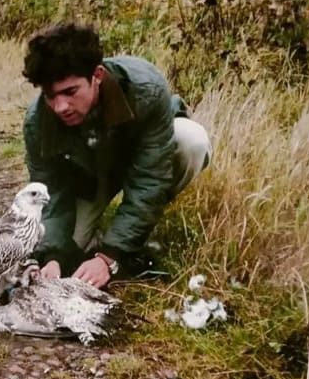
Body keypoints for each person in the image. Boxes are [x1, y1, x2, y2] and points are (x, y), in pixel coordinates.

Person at [21, 23, 212, 288]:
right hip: (89, 180)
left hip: (141, 163)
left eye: (70, 92)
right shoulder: (37, 122)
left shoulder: (147, 89)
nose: (60, 106)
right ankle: (100, 237)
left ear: (97, 75)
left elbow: (150, 180)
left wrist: (109, 256)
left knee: (191, 140)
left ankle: (129, 238)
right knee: (66, 257)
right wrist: (52, 256)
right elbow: (51, 193)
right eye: (50, 96)